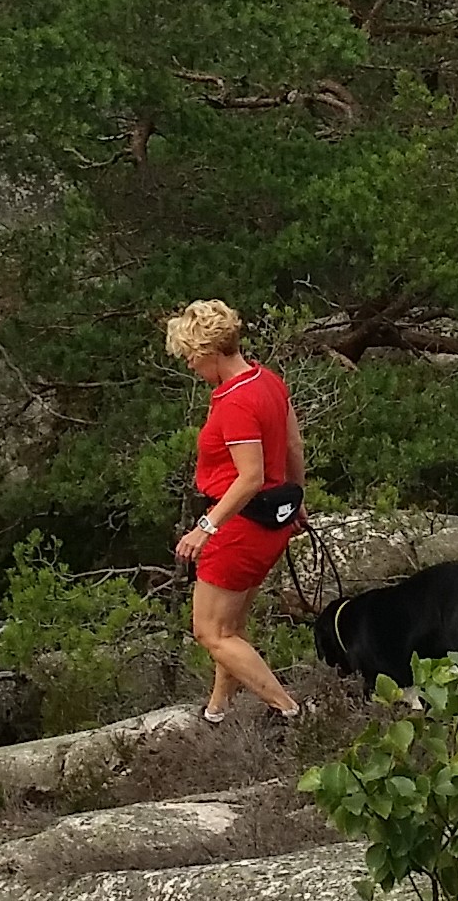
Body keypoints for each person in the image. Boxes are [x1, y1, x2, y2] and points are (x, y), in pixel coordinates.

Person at [164, 299, 305, 725]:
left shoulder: (236, 403)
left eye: (189, 355)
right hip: (271, 524)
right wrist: (299, 502)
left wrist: (205, 528)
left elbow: (250, 477)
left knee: (210, 632)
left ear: (208, 350)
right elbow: (294, 447)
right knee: (231, 627)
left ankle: (291, 711)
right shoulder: (268, 382)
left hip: (238, 528)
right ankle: (217, 710)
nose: (189, 365)